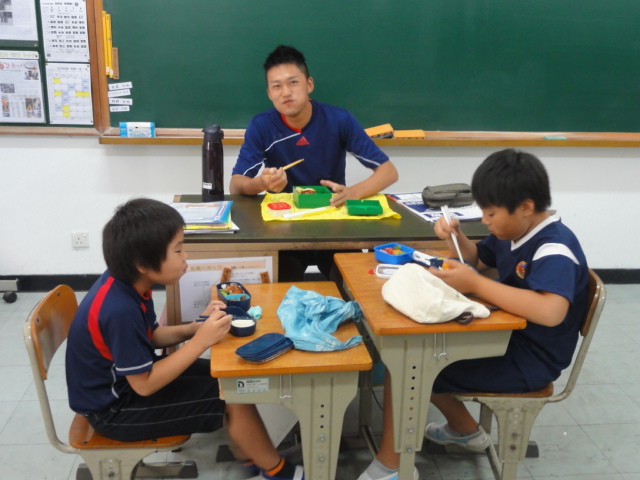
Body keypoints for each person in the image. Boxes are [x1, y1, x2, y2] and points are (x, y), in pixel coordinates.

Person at [358, 149, 589, 480]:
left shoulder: (554, 249)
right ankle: (464, 431)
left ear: (526, 207)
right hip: (505, 337)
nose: (485, 220)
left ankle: (391, 466)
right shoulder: (515, 231)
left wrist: (476, 284)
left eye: (491, 213)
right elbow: (478, 260)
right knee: (411, 356)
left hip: (530, 359)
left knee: (407, 365)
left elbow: (551, 311)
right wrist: (457, 238)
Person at [65, 198, 304, 480]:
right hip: (115, 411)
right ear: (142, 263)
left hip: (124, 388)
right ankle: (277, 471)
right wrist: (200, 342)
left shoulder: (127, 285)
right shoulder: (119, 310)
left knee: (229, 377)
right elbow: (144, 385)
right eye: (178, 250)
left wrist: (195, 328)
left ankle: (252, 456)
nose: (185, 257)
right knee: (232, 395)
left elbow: (152, 336)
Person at [230, 45, 398, 281]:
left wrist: (352, 193)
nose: (285, 92)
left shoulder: (339, 120)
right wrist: (261, 183)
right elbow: (236, 185)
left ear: (309, 84)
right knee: (282, 283)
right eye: (277, 86)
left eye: (293, 82)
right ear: (269, 93)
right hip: (284, 227)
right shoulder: (262, 126)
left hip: (332, 223)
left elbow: (388, 172)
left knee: (351, 282)